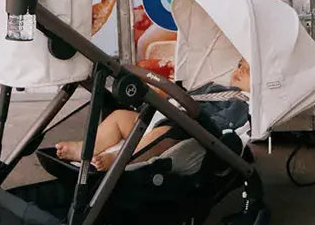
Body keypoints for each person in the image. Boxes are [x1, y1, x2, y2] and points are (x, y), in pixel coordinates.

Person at [56, 58, 250, 171]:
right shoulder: (214, 87)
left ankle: (120, 158)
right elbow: (188, 97)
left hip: (190, 129)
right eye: (239, 64)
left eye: (247, 70)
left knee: (160, 136)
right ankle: (85, 149)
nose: (239, 70)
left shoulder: (240, 102)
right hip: (167, 114)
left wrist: (196, 120)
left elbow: (224, 123)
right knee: (119, 117)